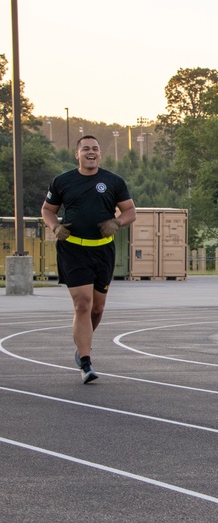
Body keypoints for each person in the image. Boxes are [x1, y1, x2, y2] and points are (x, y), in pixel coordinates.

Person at [41, 135, 137, 383]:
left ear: (100, 154)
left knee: (97, 308)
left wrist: (116, 223)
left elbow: (130, 211)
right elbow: (47, 210)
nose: (90, 152)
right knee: (82, 304)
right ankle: (86, 362)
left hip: (103, 251)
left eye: (95, 149)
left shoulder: (113, 181)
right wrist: (54, 227)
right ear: (77, 154)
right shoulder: (63, 181)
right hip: (73, 250)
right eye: (86, 149)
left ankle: (82, 343)